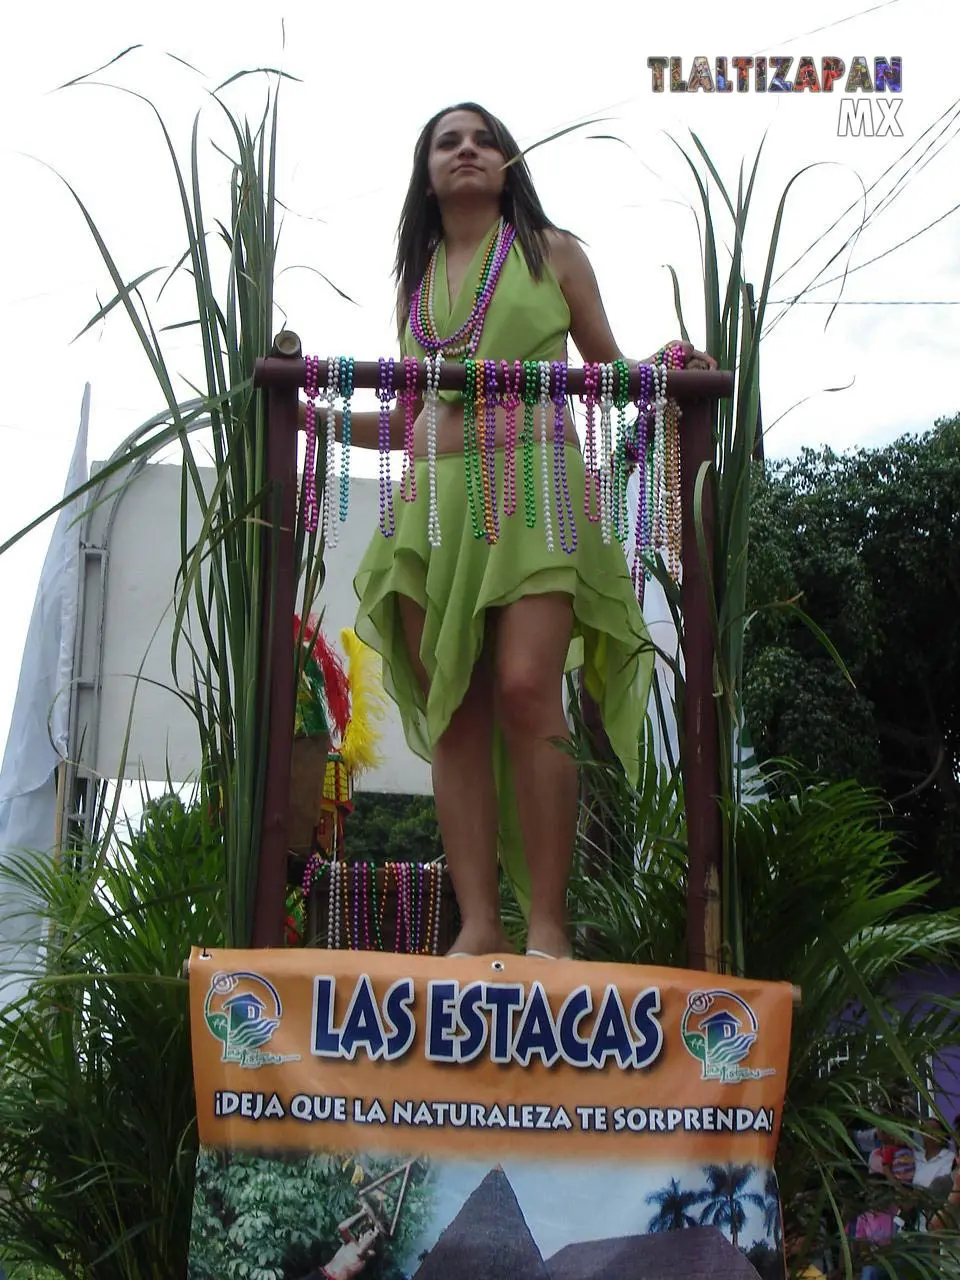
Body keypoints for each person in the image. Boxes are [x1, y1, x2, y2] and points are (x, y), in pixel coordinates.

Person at [330, 103, 715, 958]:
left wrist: (669, 368)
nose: (468, 150)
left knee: (527, 687)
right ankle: (478, 922)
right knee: (454, 708)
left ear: (508, 164)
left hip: (537, 496)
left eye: (484, 140)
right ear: (427, 173)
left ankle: (547, 923)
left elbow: (611, 370)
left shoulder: (554, 253)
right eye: (448, 142)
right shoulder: (416, 282)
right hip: (432, 510)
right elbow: (408, 417)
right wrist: (314, 418)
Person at [301, 1227, 378, 1280]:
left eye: (372, 1239)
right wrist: (362, 1213)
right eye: (369, 1235)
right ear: (361, 1236)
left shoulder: (368, 1254)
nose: (371, 1239)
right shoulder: (351, 1243)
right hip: (323, 1273)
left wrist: (374, 1235)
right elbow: (342, 1227)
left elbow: (361, 1251)